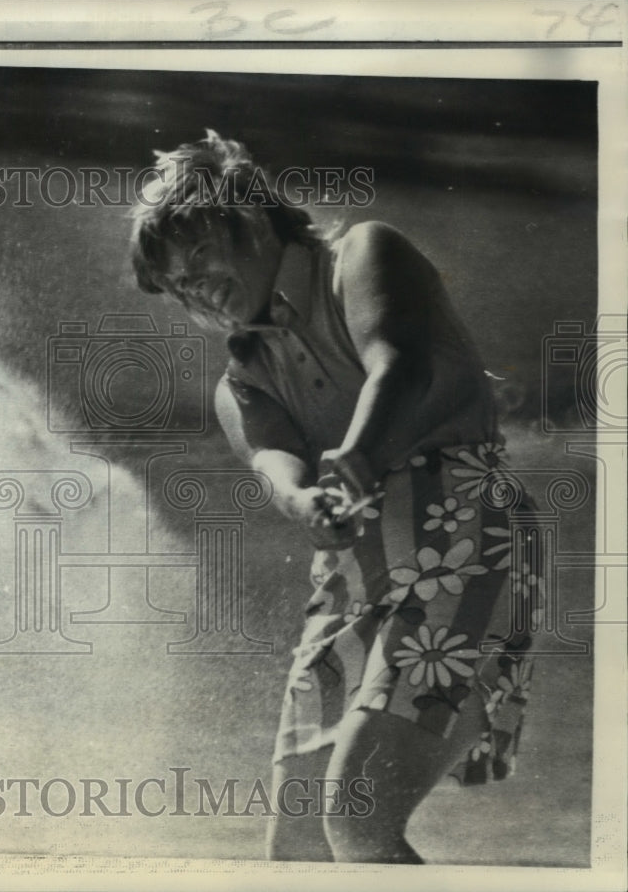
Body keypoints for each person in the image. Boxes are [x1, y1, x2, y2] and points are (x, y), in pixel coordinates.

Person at [129, 131, 537, 863]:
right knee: (298, 849)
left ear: (251, 219)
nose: (194, 286)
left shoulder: (361, 257)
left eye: (200, 256)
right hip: (352, 577)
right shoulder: (243, 378)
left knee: (358, 818)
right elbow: (273, 460)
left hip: (465, 540)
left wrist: (362, 451)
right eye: (177, 284)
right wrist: (300, 501)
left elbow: (398, 364)